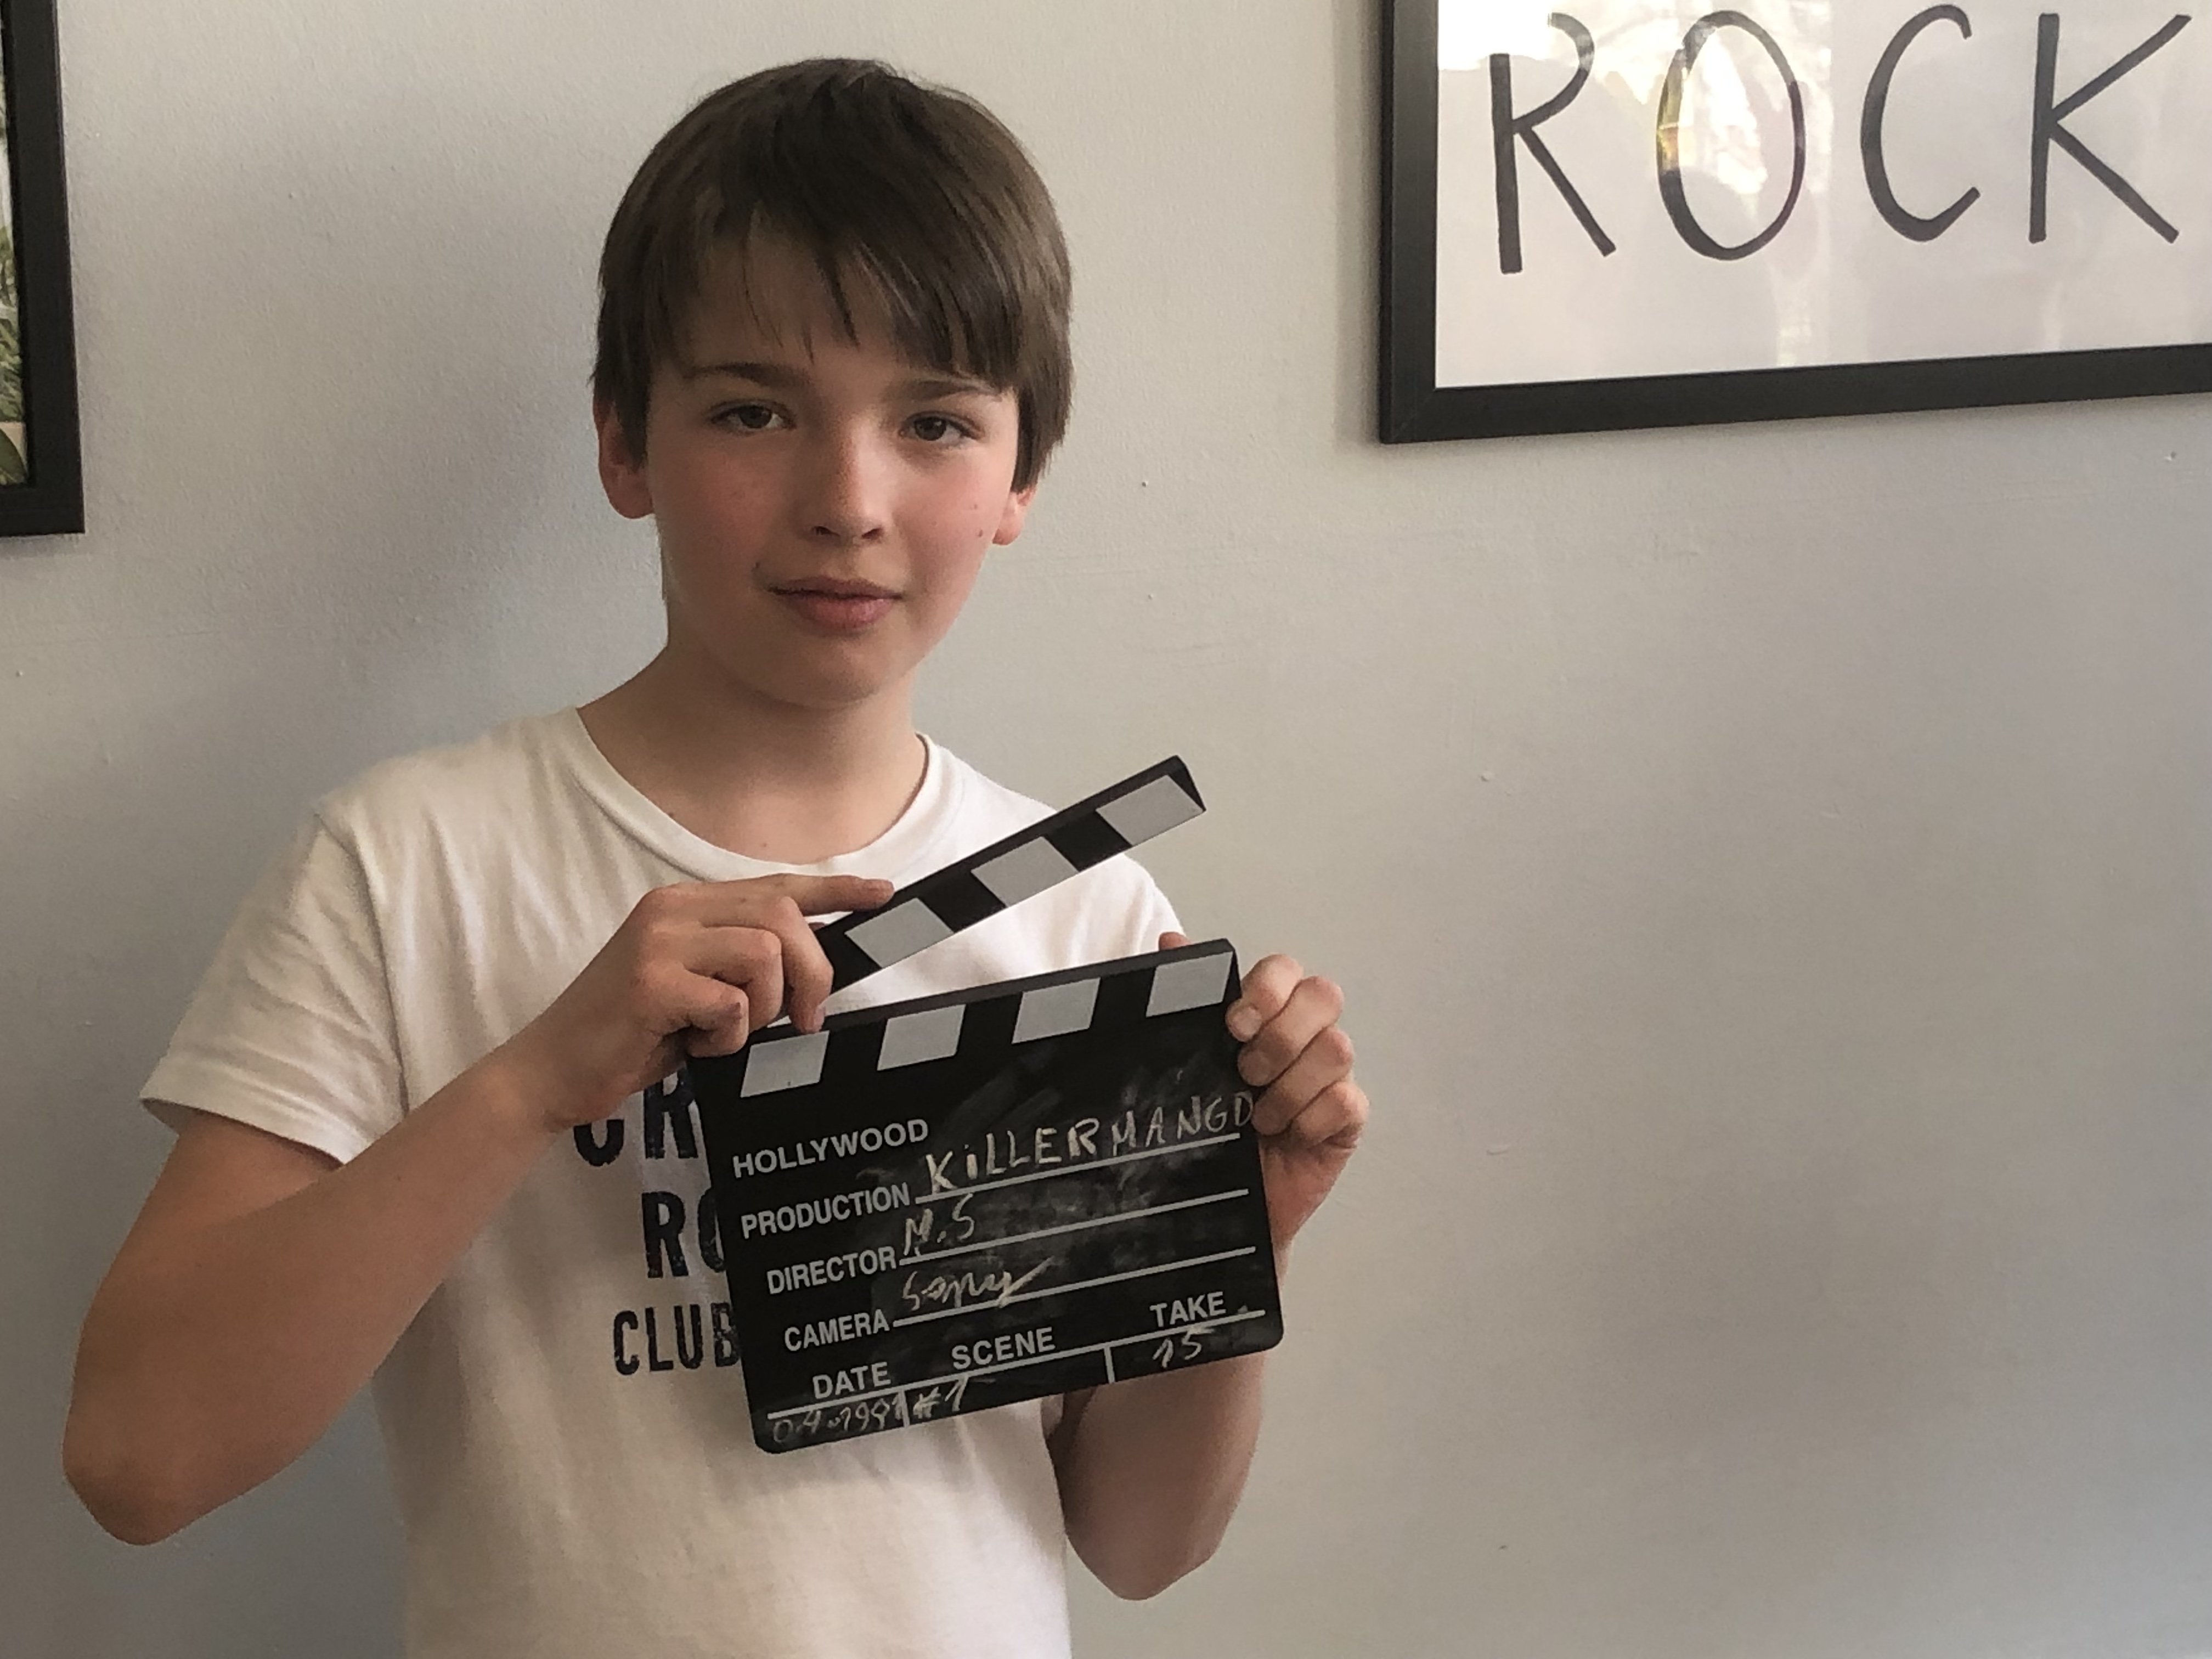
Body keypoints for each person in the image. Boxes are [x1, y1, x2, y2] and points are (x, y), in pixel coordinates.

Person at [63, 58, 1367, 1659]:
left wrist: (1238, 1227)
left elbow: (1141, 1542)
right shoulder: (403, 871)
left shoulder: (1088, 915)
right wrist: (529, 1083)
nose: (848, 501)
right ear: (626, 442)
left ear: (1018, 478)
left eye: (936, 422)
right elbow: (140, 1458)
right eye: (754, 410)